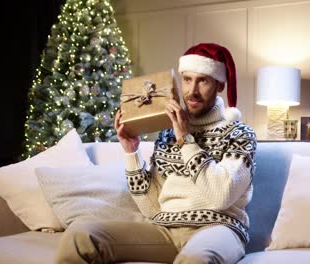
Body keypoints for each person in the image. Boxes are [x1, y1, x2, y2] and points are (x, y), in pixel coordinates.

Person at [56, 43, 257, 264]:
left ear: (220, 85)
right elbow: (152, 207)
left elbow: (221, 195)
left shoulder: (240, 133)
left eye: (204, 81)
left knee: (196, 258)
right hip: (165, 230)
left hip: (219, 229)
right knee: (81, 234)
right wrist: (131, 151)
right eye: (187, 80)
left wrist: (185, 139)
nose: (192, 91)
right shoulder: (166, 135)